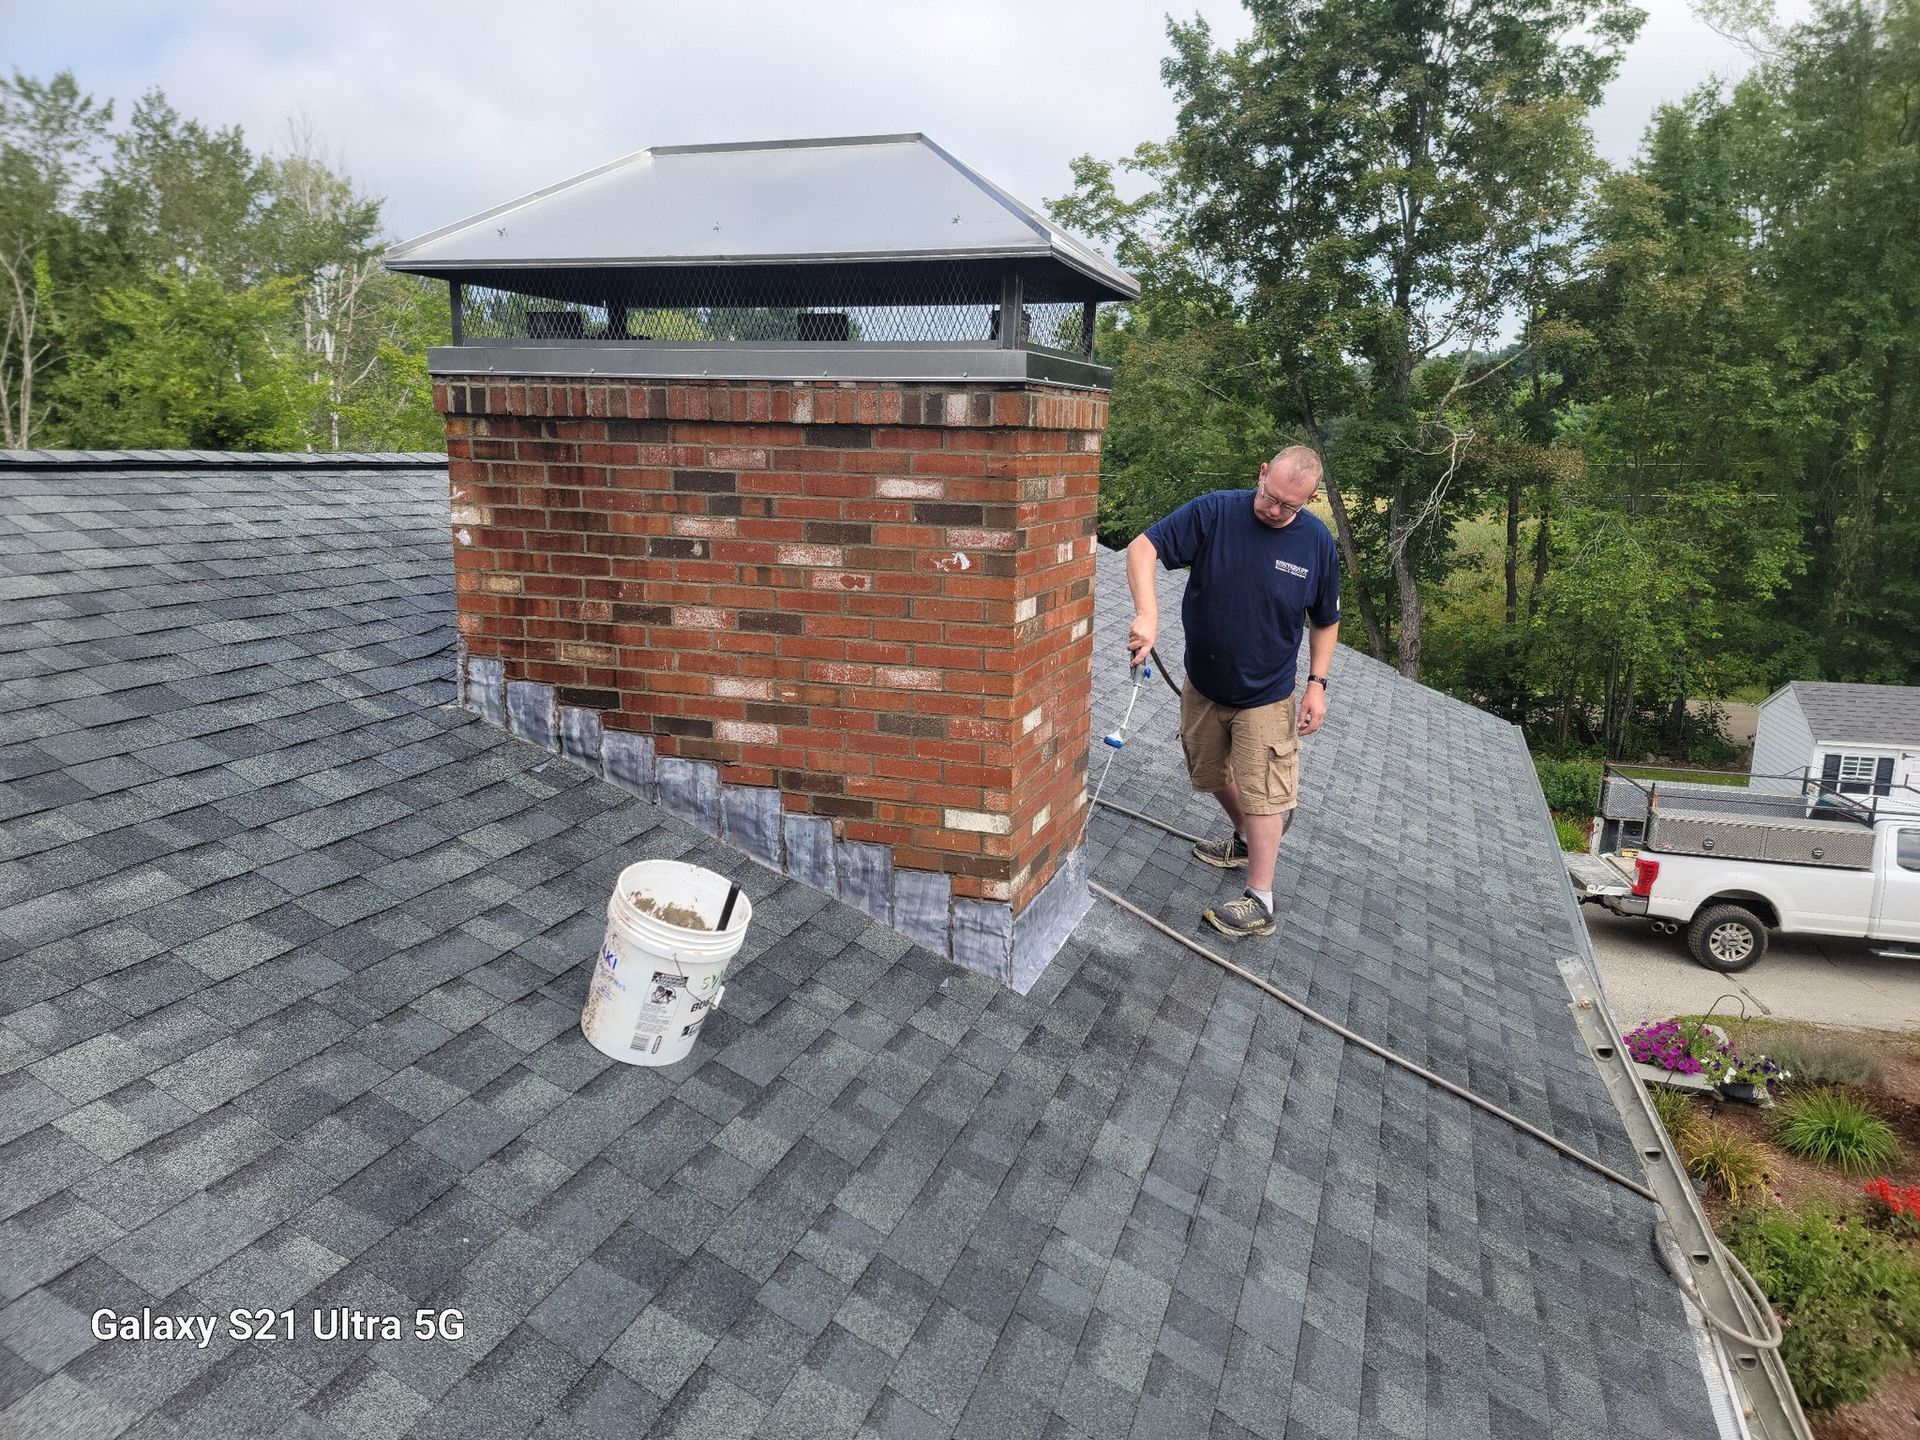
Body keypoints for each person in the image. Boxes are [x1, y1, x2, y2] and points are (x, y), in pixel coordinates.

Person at [1125, 445, 1341, 937]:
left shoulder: (1316, 544)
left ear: (1310, 500)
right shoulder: (1215, 511)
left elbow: (1325, 622)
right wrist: (1148, 613)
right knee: (1206, 770)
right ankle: (1246, 835)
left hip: (1266, 693)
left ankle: (1260, 898)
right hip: (1203, 684)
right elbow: (1143, 548)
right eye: (1271, 496)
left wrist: (1317, 685)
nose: (1275, 509)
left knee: (1265, 791)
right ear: (1261, 474)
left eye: (1291, 505)